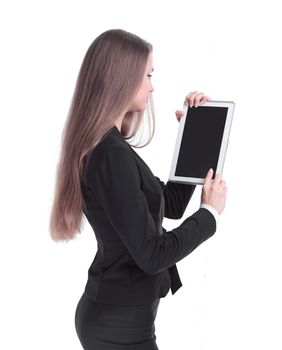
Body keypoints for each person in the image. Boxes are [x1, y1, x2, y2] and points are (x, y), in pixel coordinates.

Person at [49, 29, 227, 350]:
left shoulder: (111, 147)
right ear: (122, 77)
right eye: (147, 75)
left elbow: (168, 204)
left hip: (116, 318)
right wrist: (209, 213)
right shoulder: (110, 154)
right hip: (120, 328)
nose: (152, 86)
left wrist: (192, 139)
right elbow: (152, 254)